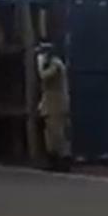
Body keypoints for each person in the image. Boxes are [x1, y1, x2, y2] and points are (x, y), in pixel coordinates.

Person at [36, 42, 72, 171]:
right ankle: (53, 159)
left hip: (57, 104)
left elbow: (44, 76)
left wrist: (39, 63)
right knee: (50, 133)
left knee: (58, 133)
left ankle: (63, 161)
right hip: (50, 103)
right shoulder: (52, 64)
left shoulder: (56, 65)